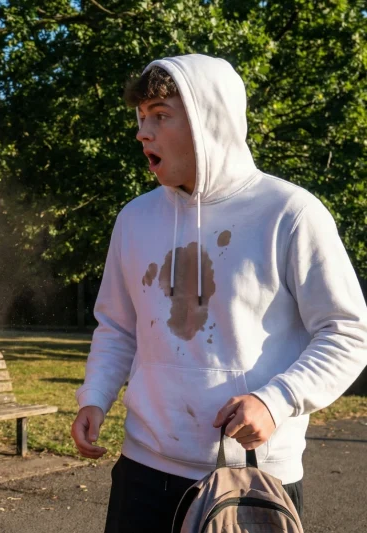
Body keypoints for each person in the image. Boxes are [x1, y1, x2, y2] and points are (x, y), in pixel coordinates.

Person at [71, 54, 367, 532]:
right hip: (142, 468)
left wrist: (276, 400)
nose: (143, 133)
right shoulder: (134, 219)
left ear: (210, 119)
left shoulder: (290, 213)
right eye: (141, 117)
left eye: (160, 116)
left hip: (252, 477)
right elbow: (118, 327)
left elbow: (348, 333)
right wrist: (95, 396)